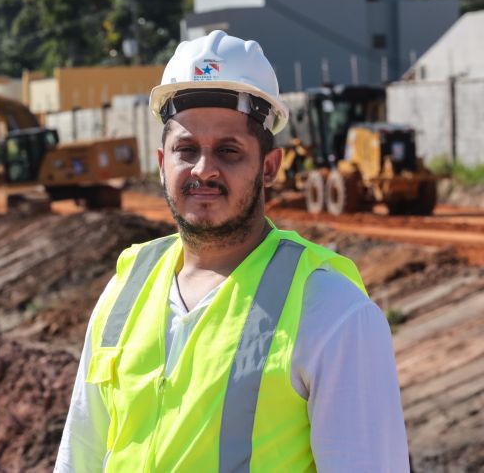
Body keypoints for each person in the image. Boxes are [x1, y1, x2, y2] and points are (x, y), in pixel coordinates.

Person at [55, 30, 409, 472]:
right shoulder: (124, 291)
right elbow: (79, 459)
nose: (204, 169)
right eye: (186, 150)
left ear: (269, 168)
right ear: (163, 164)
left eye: (228, 151)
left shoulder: (330, 310)